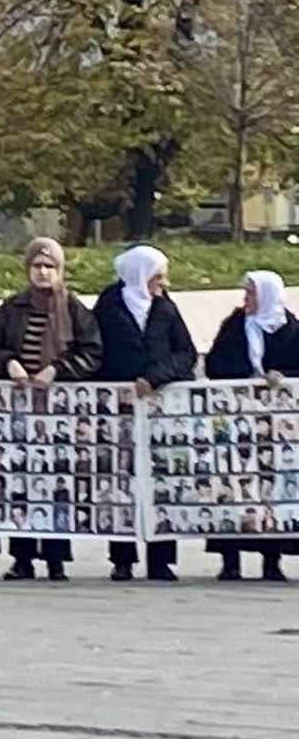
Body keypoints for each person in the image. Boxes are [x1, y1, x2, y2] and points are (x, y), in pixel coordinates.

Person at [0, 236, 102, 581]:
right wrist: (9, 364)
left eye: (50, 267)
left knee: (55, 482)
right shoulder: (12, 308)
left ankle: (56, 557)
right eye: (37, 266)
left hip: (58, 410)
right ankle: (22, 557)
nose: (43, 272)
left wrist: (58, 370)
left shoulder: (74, 309)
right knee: (21, 482)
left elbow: (92, 353)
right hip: (20, 409)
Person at [95, 244, 197, 582]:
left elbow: (186, 353)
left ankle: (161, 559)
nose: (162, 282)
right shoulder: (109, 307)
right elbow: (96, 350)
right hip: (120, 407)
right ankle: (122, 557)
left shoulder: (166, 308)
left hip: (157, 406)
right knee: (120, 481)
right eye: (157, 275)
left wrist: (155, 377)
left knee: (160, 481)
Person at [202, 270, 295, 581]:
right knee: (234, 486)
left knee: (271, 487)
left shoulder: (290, 329)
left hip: (274, 424)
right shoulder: (235, 326)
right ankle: (230, 561)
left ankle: (272, 560)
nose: (246, 300)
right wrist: (246, 376)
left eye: (252, 294)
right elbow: (215, 363)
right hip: (238, 418)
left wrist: (279, 375)